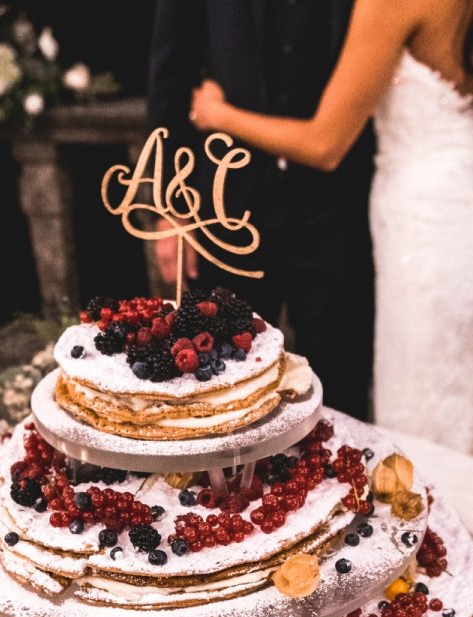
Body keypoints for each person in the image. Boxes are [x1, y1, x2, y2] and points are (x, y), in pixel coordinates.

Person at [190, 0, 473, 452]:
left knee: (425, 397)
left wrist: (216, 114)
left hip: (420, 219)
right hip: (460, 205)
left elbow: (325, 144)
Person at [148, 0, 376, 421]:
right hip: (225, 206)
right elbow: (171, 75)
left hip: (339, 206)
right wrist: (171, 208)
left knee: (342, 389)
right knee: (222, 390)